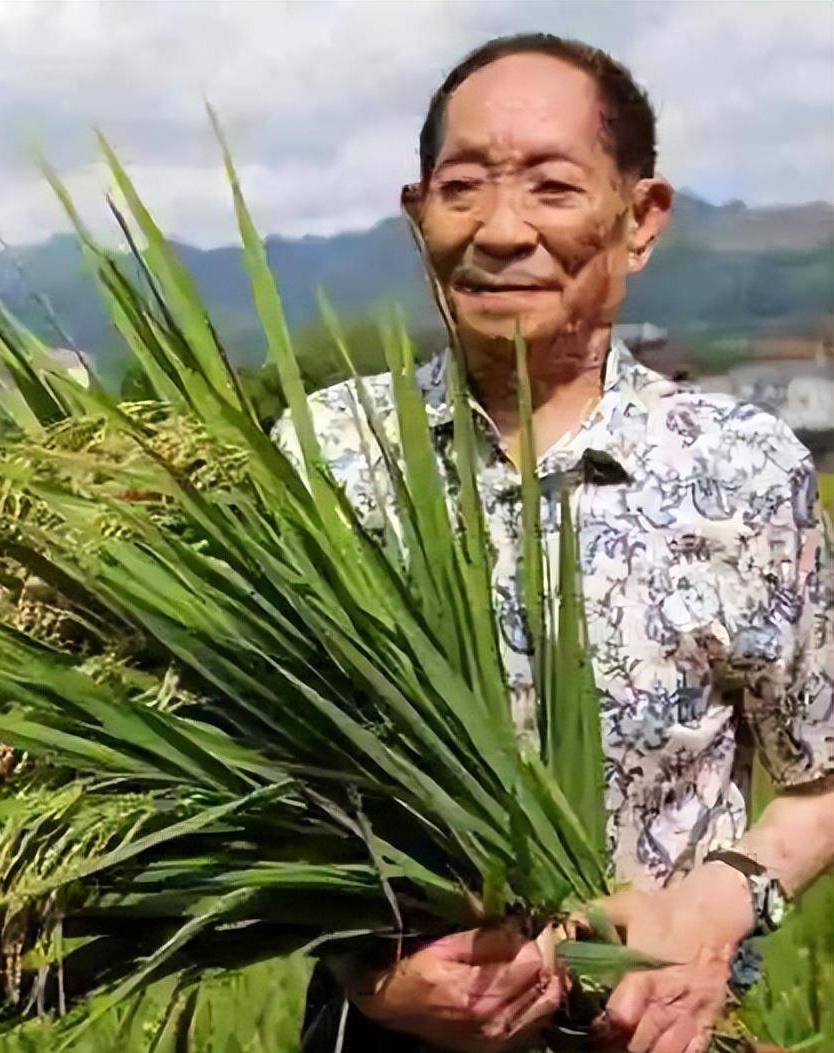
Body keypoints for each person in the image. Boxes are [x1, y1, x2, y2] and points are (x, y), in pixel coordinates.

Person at [271, 32, 834, 1053]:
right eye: (461, 187)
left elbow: (821, 776)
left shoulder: (744, 473)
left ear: (641, 219)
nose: (499, 230)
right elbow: (261, 771)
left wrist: (720, 903)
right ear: (417, 216)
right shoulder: (327, 456)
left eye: (552, 187)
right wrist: (373, 970)